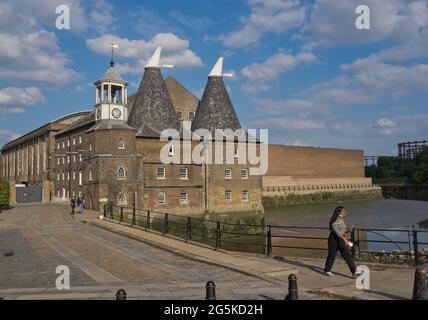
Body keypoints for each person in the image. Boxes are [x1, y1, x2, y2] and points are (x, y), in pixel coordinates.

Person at [324, 206, 362, 278]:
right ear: (339, 212)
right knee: (331, 255)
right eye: (343, 211)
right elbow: (337, 232)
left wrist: (348, 231)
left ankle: (354, 272)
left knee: (347, 255)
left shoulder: (341, 219)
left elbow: (342, 231)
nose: (345, 212)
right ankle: (327, 270)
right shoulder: (334, 220)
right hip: (333, 240)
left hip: (341, 239)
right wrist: (345, 240)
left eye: (345, 211)